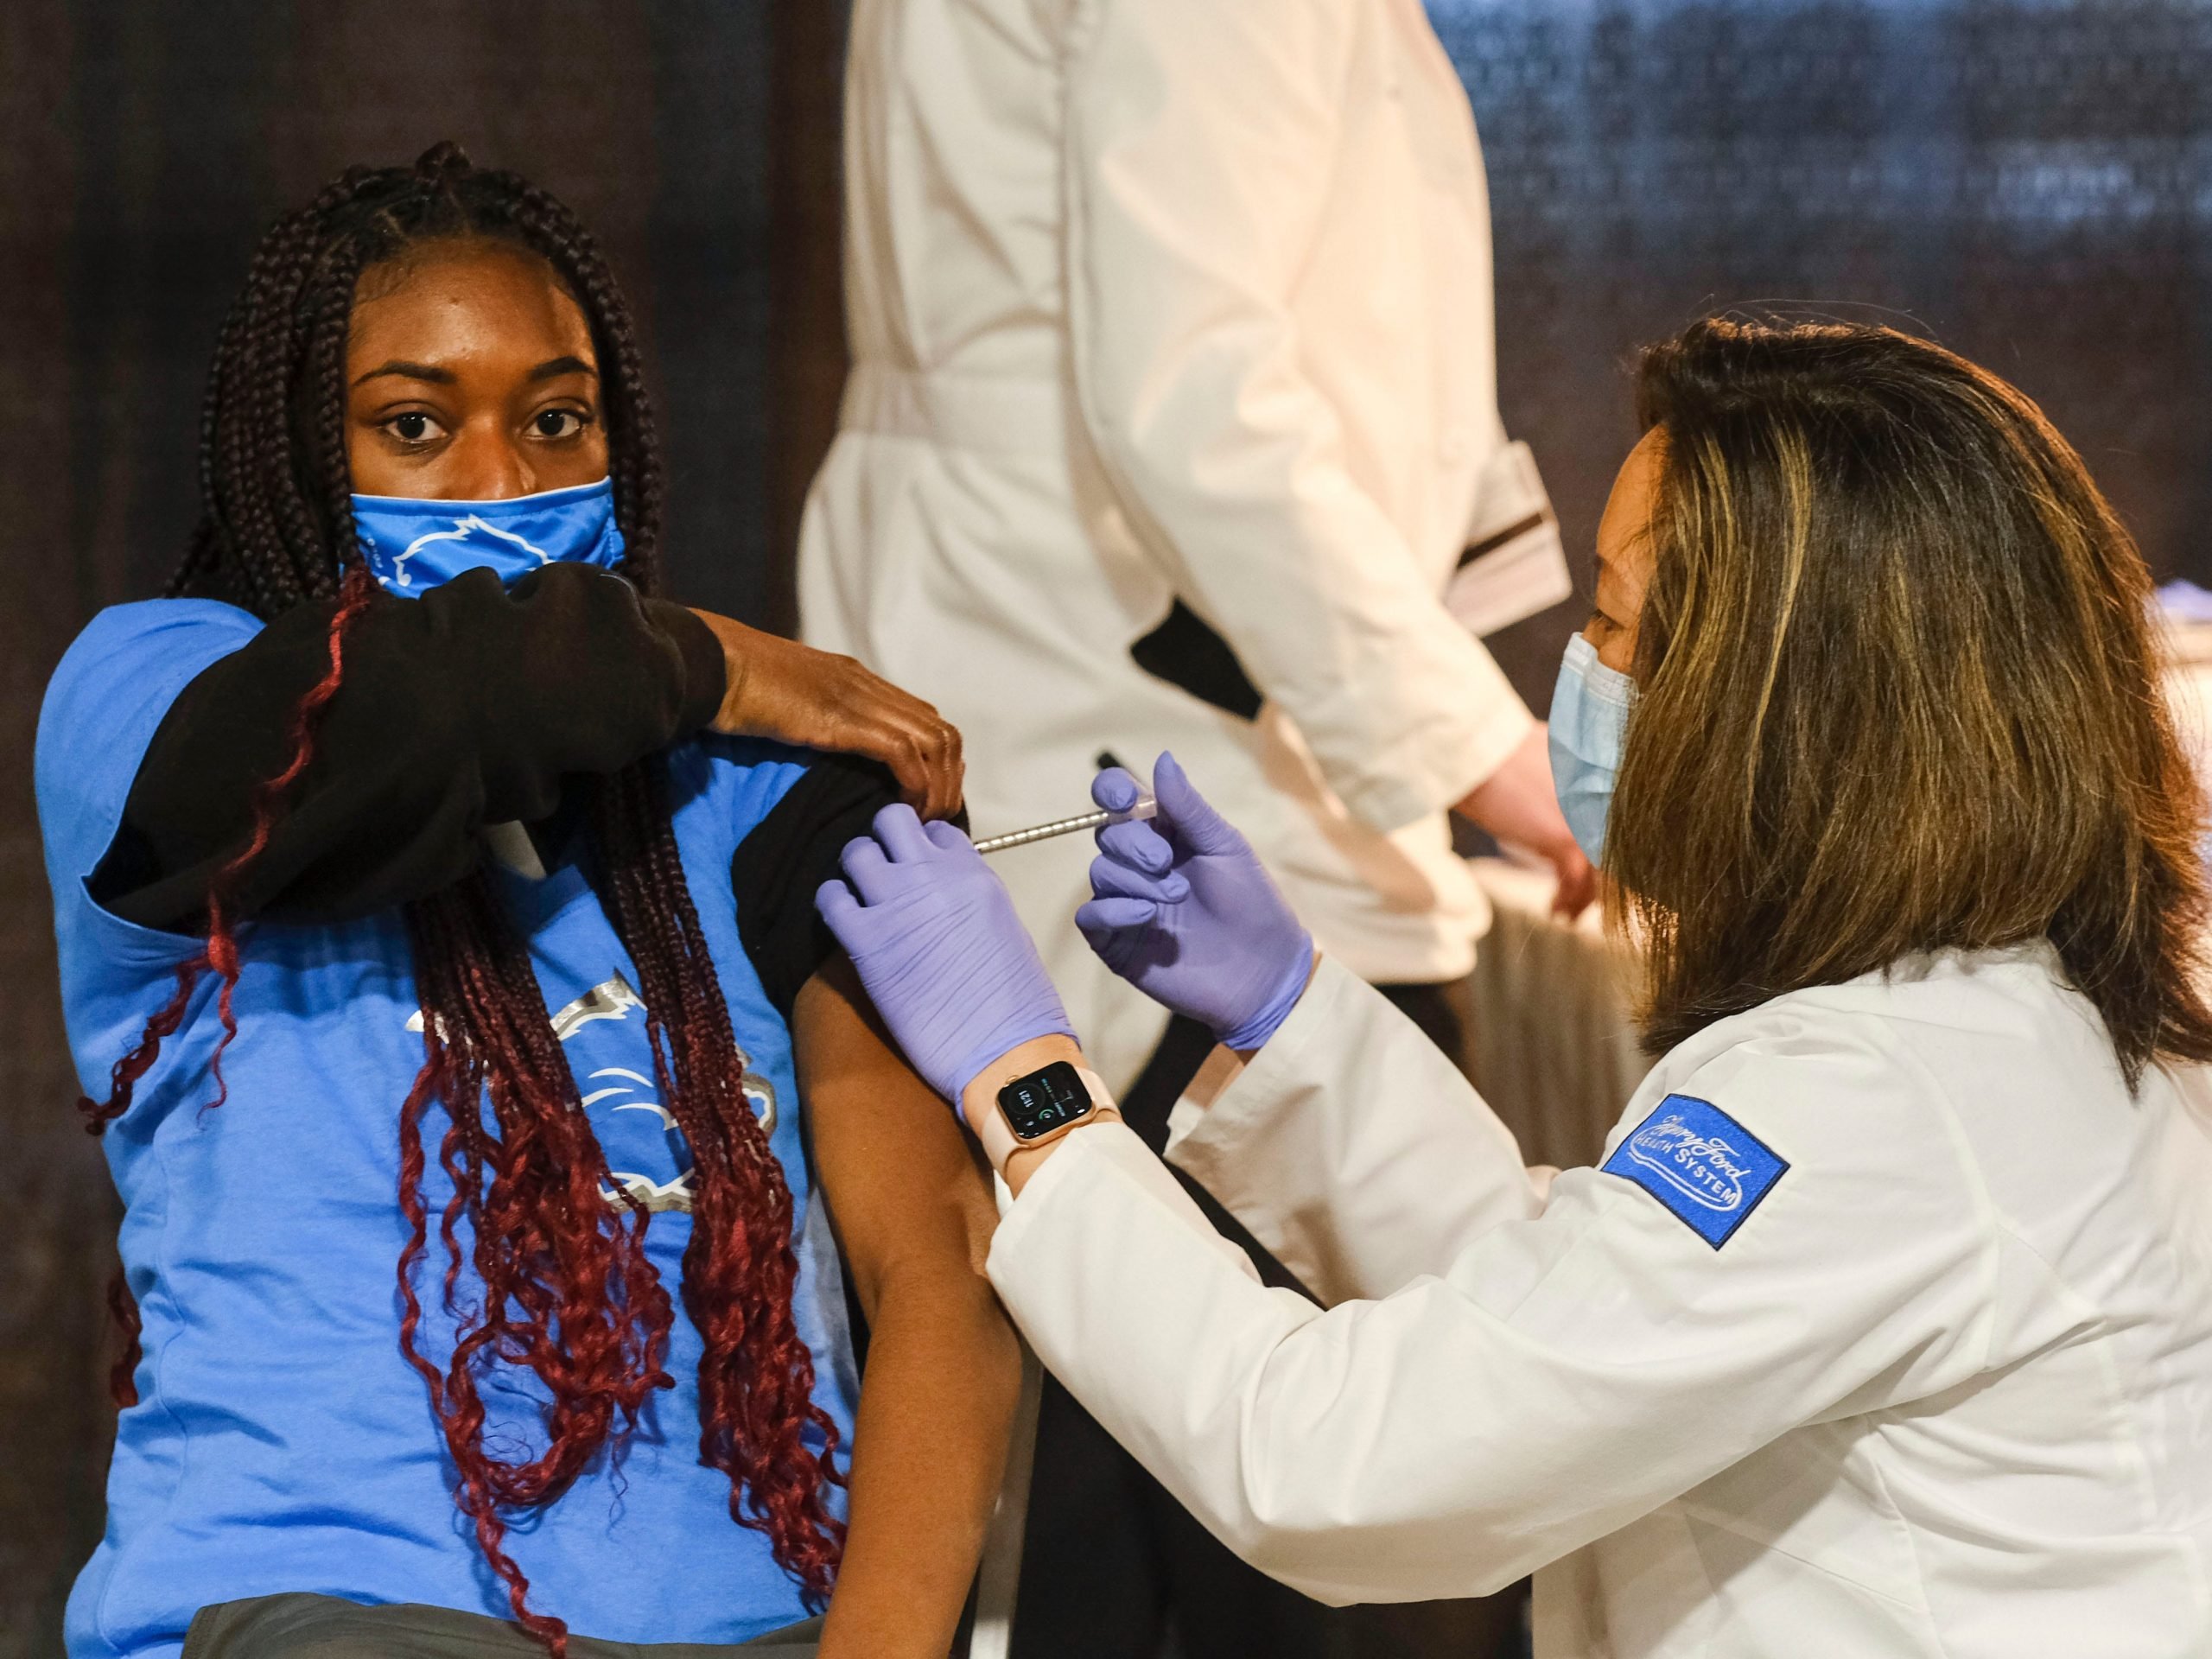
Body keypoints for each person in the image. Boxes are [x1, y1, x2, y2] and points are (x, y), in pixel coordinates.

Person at [818, 319, 2212, 1657]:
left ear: (1784, 705)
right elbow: (1591, 1306)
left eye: (1614, 630)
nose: (1583, 681)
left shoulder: (1887, 1098)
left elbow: (1340, 1463)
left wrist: (1030, 1074)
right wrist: (1289, 1012)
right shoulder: (1986, 1025)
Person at [37, 145, 1017, 1659]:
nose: (502, 485)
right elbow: (418, 707)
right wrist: (710, 651)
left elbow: (938, 1267)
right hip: (330, 1608)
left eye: (557, 423)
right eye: (414, 427)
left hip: (763, 1621)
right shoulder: (155, 693)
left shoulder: (754, 788)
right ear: (303, 450)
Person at [801, 4, 1586, 1646]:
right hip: (1162, 731)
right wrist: (1492, 753)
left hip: (1084, 672)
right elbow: (1196, 399)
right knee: (1285, 1515)